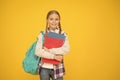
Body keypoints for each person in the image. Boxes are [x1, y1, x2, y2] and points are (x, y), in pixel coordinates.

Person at [35, 10, 70, 80]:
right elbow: (38, 51)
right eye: (51, 19)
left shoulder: (63, 34)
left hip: (58, 68)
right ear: (47, 20)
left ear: (59, 21)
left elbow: (66, 49)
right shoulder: (42, 34)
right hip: (44, 68)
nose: (54, 21)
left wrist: (49, 50)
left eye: (56, 19)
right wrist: (54, 56)